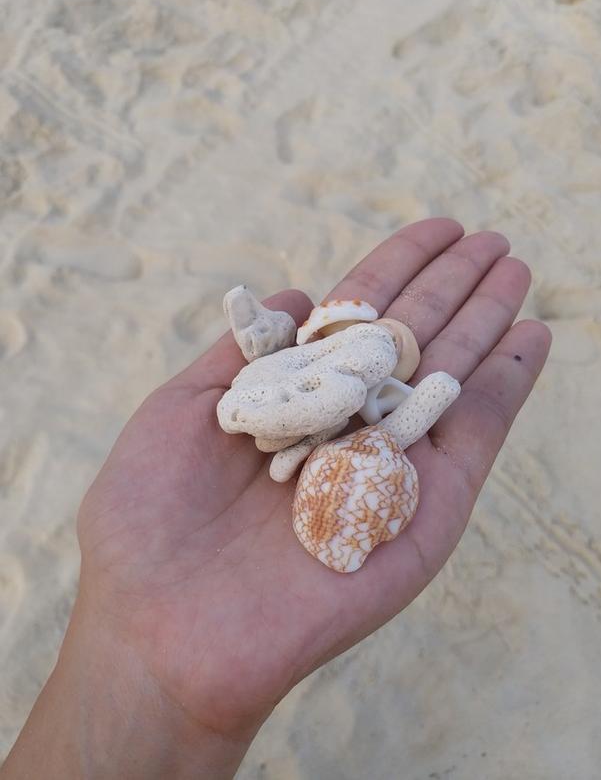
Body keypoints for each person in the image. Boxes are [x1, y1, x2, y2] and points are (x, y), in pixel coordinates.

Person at [1, 219, 551, 779]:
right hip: (352, 445)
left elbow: (386, 406)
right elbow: (337, 420)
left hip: (361, 452)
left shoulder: (352, 401)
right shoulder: (327, 402)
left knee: (404, 407)